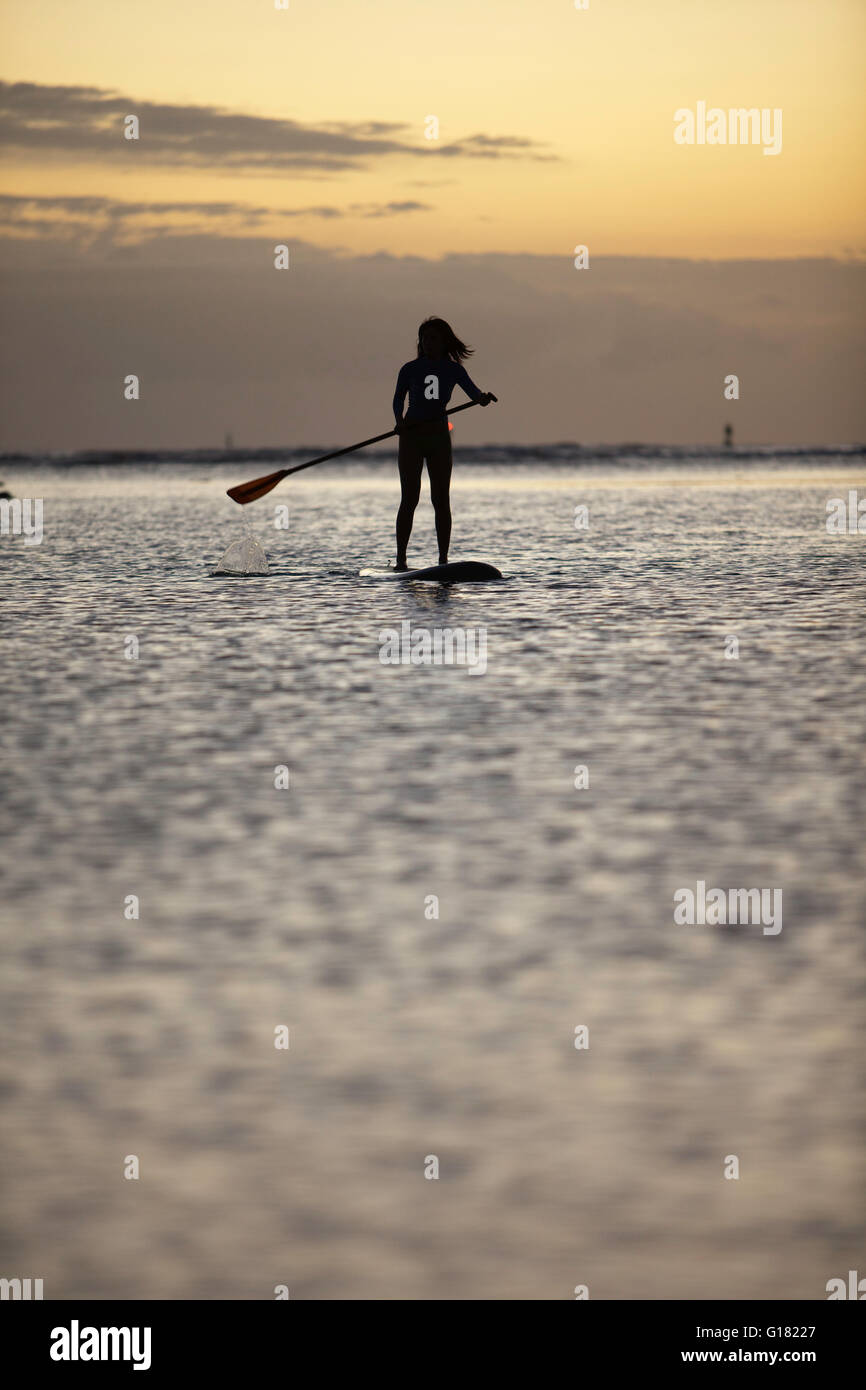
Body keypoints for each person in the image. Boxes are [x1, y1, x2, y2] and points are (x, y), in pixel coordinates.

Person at [391, 317, 494, 569]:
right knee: (410, 499)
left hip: (438, 436)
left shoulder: (454, 370)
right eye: (424, 338)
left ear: (444, 341)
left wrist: (482, 398)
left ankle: (443, 560)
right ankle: (401, 560)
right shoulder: (409, 369)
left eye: (433, 338)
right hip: (412, 436)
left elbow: (473, 393)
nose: (428, 343)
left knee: (441, 499)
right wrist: (399, 421)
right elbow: (397, 399)